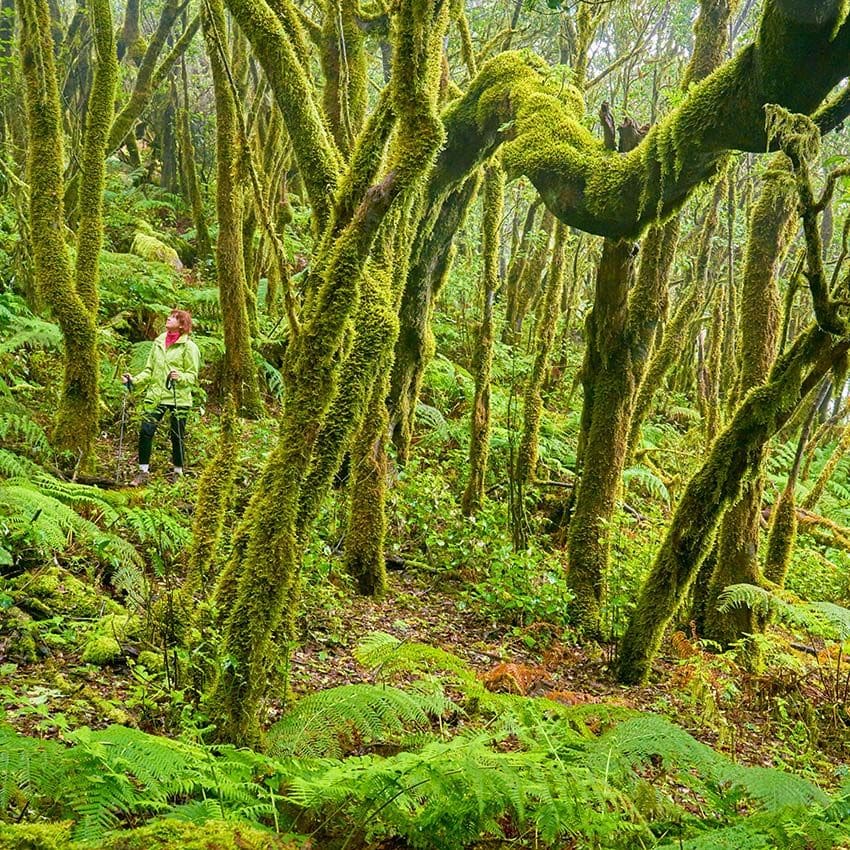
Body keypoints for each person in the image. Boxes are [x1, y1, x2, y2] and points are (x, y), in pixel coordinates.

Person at [123, 309, 200, 485]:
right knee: (146, 431)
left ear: (182, 324)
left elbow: (192, 376)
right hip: (156, 396)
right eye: (170, 316)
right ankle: (143, 472)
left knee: (177, 435)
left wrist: (179, 377)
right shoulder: (158, 342)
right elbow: (149, 370)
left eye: (174, 317)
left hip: (177, 397)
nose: (168, 318)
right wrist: (133, 381)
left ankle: (178, 473)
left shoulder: (189, 347)